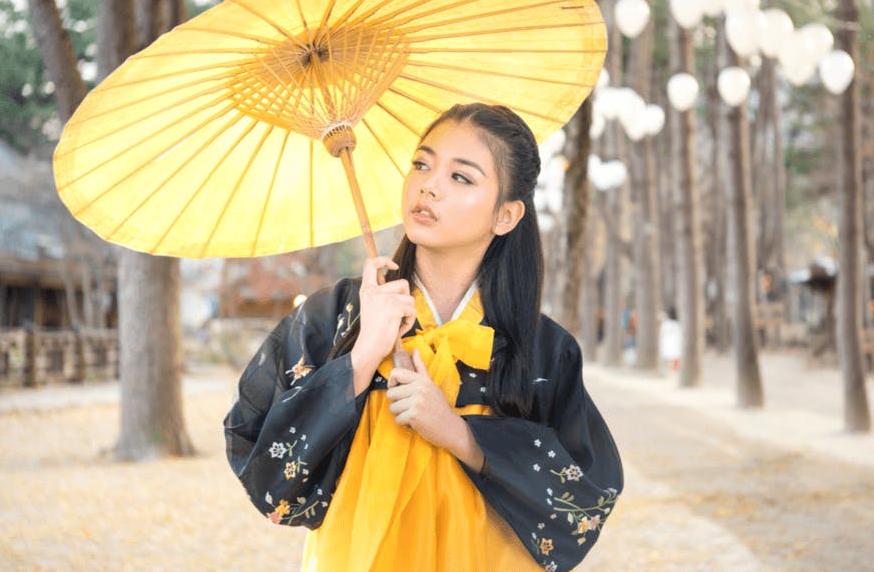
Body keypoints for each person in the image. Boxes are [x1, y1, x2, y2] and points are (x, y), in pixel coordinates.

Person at [224, 103, 623, 571]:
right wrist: (360, 360)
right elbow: (265, 471)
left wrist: (461, 436)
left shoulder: (543, 350)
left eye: (462, 177)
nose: (428, 184)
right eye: (421, 164)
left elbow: (584, 505)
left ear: (507, 215)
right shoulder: (336, 316)